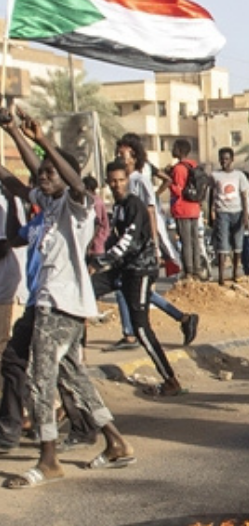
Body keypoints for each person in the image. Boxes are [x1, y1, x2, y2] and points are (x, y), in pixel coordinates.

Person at [0, 107, 135, 489]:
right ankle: (116, 442)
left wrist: (43, 140)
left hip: (59, 306)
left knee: (43, 379)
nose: (42, 176)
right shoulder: (48, 206)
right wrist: (13, 134)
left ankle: (49, 460)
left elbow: (77, 186)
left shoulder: (77, 207)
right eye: (41, 173)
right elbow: (14, 182)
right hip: (46, 303)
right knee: (69, 375)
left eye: (50, 172)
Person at [91, 161, 183, 397]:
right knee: (85, 291)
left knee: (141, 327)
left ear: (127, 181)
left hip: (140, 270)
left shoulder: (133, 205)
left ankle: (170, 379)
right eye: (113, 181)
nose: (117, 185)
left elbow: (128, 242)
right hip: (124, 268)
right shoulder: (119, 207)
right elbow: (114, 238)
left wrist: (101, 261)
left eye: (121, 180)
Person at [208, 147, 249, 285]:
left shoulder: (239, 176)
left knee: (238, 245)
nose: (224, 162)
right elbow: (212, 195)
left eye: (226, 159)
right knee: (223, 245)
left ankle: (235, 273)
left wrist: (245, 214)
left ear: (232, 160)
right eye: (222, 159)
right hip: (222, 213)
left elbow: (244, 195)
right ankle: (221, 276)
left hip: (237, 212)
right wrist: (210, 212)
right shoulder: (215, 176)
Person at [167, 138, 205, 279]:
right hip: (194, 207)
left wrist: (169, 182)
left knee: (186, 240)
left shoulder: (178, 169)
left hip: (182, 208)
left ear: (179, 150)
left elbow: (178, 190)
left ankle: (188, 270)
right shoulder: (193, 165)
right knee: (195, 240)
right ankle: (197, 268)